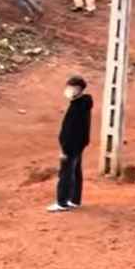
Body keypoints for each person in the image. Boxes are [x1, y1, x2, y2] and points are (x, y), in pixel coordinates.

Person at [49, 76, 93, 212]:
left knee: (66, 173)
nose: (67, 90)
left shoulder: (77, 107)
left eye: (70, 87)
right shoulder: (83, 103)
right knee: (76, 171)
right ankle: (75, 200)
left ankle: (62, 202)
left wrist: (65, 149)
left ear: (78, 89)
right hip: (79, 144)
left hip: (71, 146)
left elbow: (70, 130)